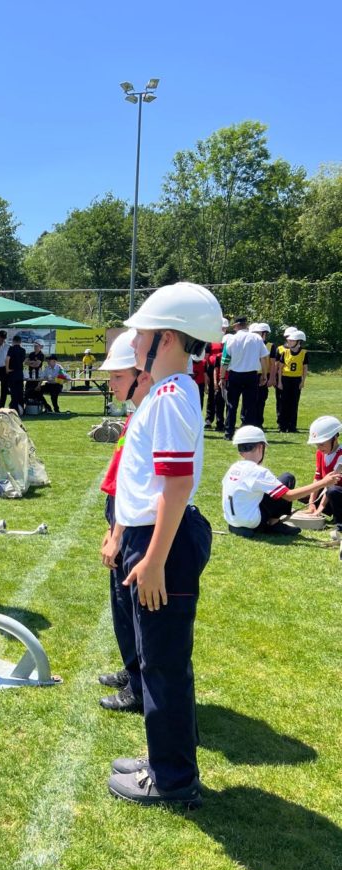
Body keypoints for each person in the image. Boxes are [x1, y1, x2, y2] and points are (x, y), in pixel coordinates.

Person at [107, 281, 222, 808]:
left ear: (169, 339)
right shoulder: (168, 392)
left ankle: (173, 778)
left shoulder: (172, 397)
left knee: (164, 662)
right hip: (152, 539)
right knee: (159, 658)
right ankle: (164, 758)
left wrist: (153, 560)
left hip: (162, 544)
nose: (133, 345)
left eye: (143, 335)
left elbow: (175, 485)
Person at [95, 330, 152, 714]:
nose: (110, 382)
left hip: (132, 527)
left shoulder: (149, 414)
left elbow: (139, 487)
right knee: (121, 608)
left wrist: (117, 534)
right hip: (121, 519)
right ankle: (133, 671)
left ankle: (138, 684)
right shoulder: (138, 414)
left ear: (140, 376)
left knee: (131, 609)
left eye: (117, 376)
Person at [222, 426, 338, 537]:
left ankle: (250, 525)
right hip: (251, 521)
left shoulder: (233, 467)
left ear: (240, 451)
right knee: (287, 478)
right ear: (260, 447)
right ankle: (274, 524)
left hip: (231, 520)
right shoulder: (258, 472)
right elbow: (289, 496)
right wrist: (324, 482)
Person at [220, 316, 269, 439]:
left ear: (236, 326)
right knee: (250, 405)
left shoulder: (230, 340)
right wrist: (264, 374)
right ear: (246, 325)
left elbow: (225, 361)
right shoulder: (257, 338)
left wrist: (222, 377)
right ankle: (248, 433)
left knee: (231, 405)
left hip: (235, 375)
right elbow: (264, 358)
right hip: (251, 375)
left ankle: (229, 432)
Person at [305, 415, 342, 539]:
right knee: (305, 493)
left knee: (333, 491)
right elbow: (318, 478)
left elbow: (331, 484)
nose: (319, 448)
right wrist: (311, 503)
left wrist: (319, 509)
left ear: (335, 438)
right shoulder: (320, 453)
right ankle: (327, 509)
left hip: (336, 490)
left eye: (321, 444)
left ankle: (339, 522)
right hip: (329, 491)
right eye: (317, 445)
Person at [276, 328, 308, 433]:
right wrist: (279, 382)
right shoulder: (285, 352)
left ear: (299, 341)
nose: (289, 342)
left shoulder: (304, 353)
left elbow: (305, 368)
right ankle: (282, 426)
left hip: (296, 380)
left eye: (292, 341)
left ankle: (292, 426)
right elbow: (280, 368)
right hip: (285, 379)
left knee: (294, 403)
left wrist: (302, 381)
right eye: (289, 340)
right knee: (284, 403)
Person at [248, 323, 273, 428]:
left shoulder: (270, 346)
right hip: (251, 374)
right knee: (249, 400)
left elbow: (273, 364)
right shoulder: (249, 344)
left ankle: (258, 422)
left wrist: (271, 377)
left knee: (261, 400)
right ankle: (248, 422)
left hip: (263, 375)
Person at [203, 320, 226, 430]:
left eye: (224, 328)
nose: (223, 330)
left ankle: (221, 420)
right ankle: (208, 419)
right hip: (212, 370)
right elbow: (206, 358)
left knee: (223, 397)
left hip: (225, 369)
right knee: (212, 396)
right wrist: (206, 373)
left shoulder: (228, 341)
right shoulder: (210, 342)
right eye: (221, 328)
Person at [5, 334, 27, 415]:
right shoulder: (23, 350)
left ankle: (14, 410)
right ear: (20, 342)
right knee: (20, 392)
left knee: (13, 393)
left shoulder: (11, 349)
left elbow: (7, 359)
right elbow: (23, 361)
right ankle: (22, 410)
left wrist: (7, 369)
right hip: (20, 373)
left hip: (12, 373)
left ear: (13, 341)